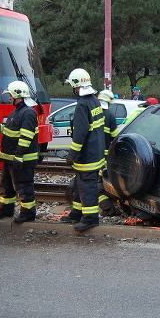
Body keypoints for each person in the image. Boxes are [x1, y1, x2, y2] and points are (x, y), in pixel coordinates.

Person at [64, 68, 106, 232]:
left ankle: (90, 218)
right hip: (95, 152)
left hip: (87, 156)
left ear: (76, 85)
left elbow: (80, 133)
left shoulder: (82, 105)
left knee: (87, 186)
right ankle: (77, 212)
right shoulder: (95, 101)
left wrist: (72, 154)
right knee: (79, 185)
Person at [0, 80, 39, 224]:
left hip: (22, 159)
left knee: (23, 186)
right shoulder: (17, 113)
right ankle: (6, 209)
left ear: (17, 95)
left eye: (10, 96)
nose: (9, 98)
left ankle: (27, 213)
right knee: (5, 185)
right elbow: (10, 132)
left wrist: (19, 156)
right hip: (10, 158)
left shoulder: (28, 113)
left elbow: (26, 137)